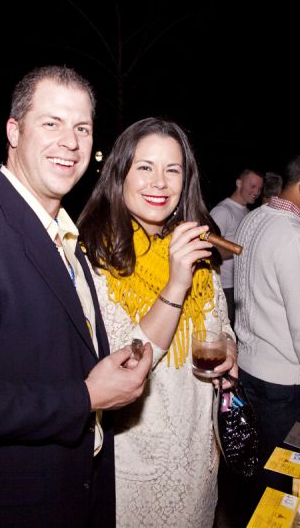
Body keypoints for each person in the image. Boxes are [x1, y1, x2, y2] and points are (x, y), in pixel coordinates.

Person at [0, 65, 152, 526]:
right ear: (14, 132)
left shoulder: (64, 235)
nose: (71, 142)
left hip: (68, 491)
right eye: (51, 123)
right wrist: (85, 396)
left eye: (82, 128)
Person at [77, 117, 237, 527]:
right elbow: (126, 361)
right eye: (145, 167)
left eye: (173, 170)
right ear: (120, 173)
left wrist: (230, 350)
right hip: (135, 462)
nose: (160, 182)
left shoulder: (195, 246)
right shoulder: (94, 258)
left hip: (199, 454)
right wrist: (176, 282)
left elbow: (218, 322)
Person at [234, 151, 300, 504]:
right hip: (286, 383)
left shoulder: (254, 219)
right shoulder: (296, 239)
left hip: (250, 369)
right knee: (287, 478)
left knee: (262, 470)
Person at [210, 168, 263, 326]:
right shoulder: (222, 211)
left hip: (240, 286)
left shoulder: (247, 211)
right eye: (252, 186)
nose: (256, 192)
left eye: (259, 189)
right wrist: (243, 249)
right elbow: (211, 250)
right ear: (239, 183)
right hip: (224, 287)